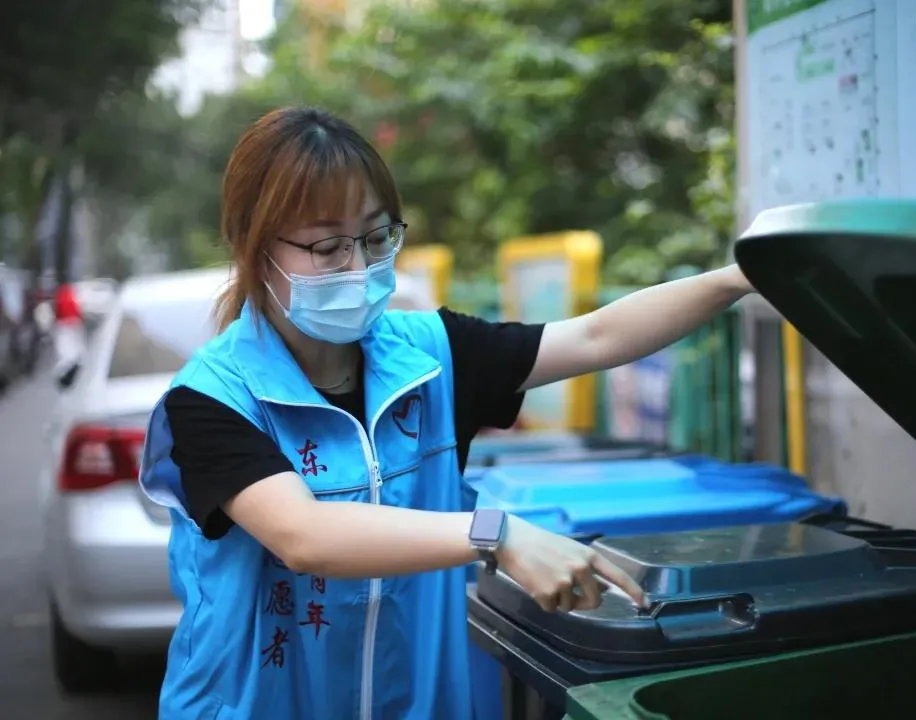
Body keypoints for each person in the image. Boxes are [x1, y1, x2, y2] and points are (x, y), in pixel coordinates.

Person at [139, 106, 755, 720]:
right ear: (254, 247)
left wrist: (738, 279)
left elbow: (595, 337)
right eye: (327, 246)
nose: (358, 268)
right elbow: (305, 536)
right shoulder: (212, 398)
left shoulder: (431, 356)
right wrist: (496, 534)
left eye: (377, 238)